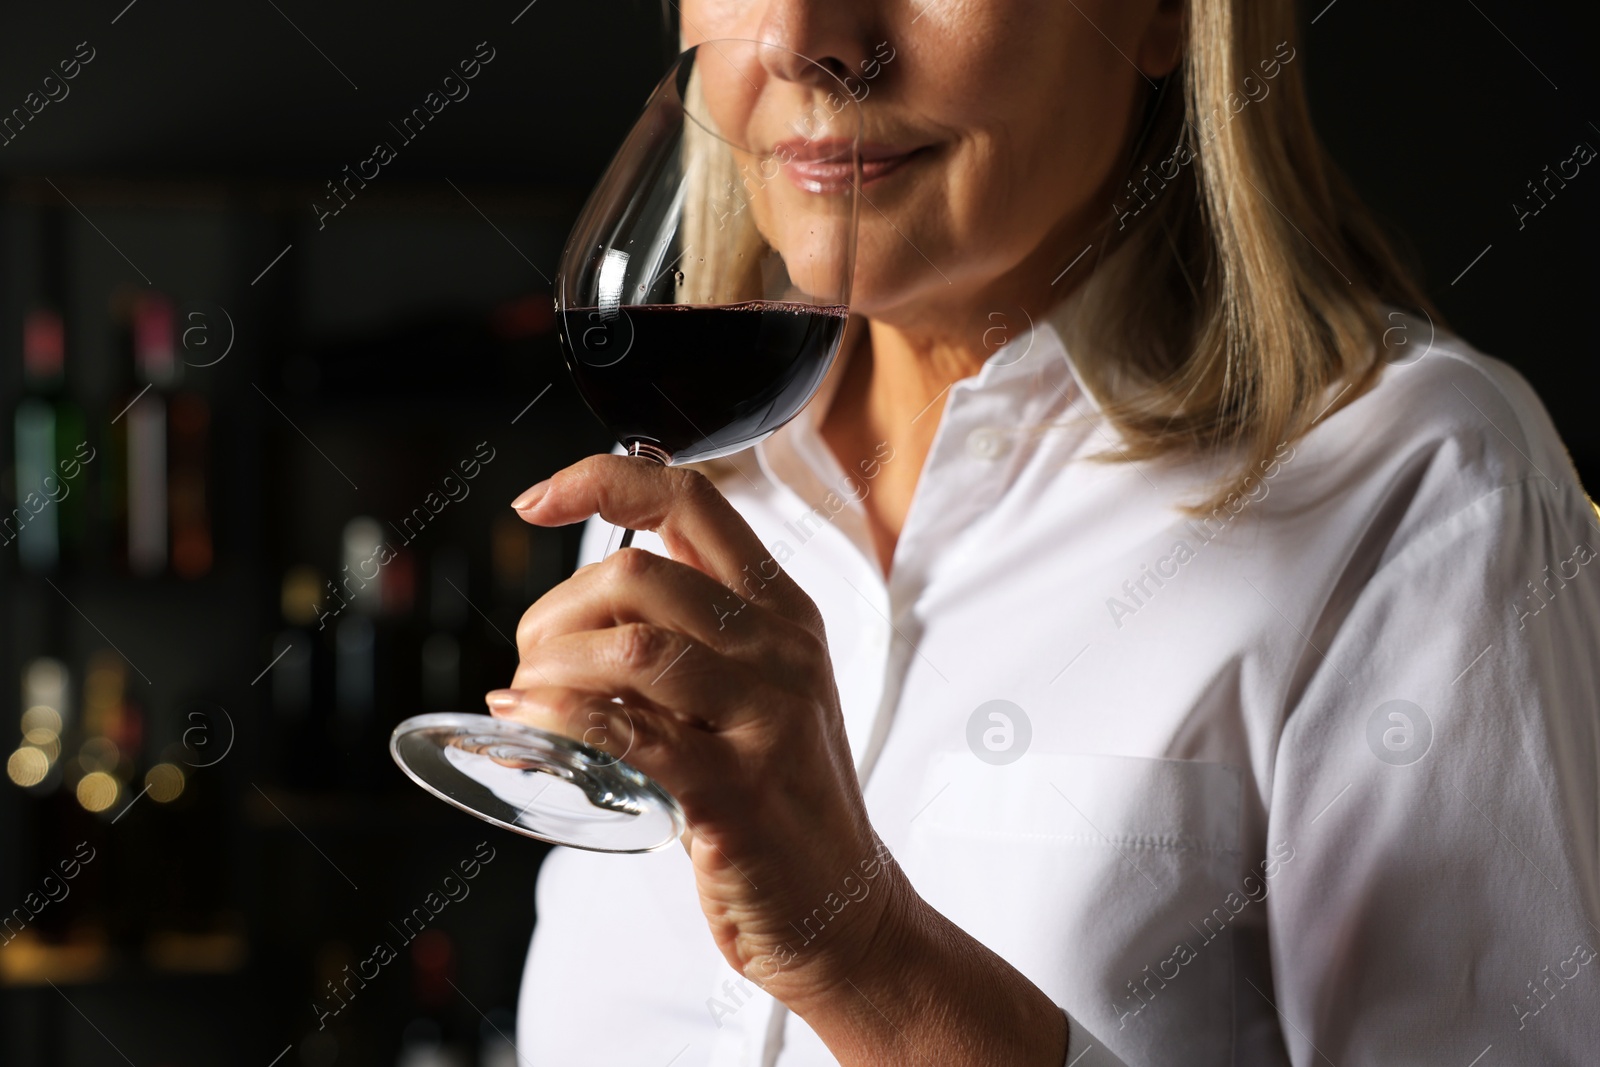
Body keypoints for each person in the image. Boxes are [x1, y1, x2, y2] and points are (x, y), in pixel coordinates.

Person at [490, 0, 1600, 1063]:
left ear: (1166, 9)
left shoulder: (1422, 486)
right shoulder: (698, 471)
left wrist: (864, 959)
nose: (799, 36)